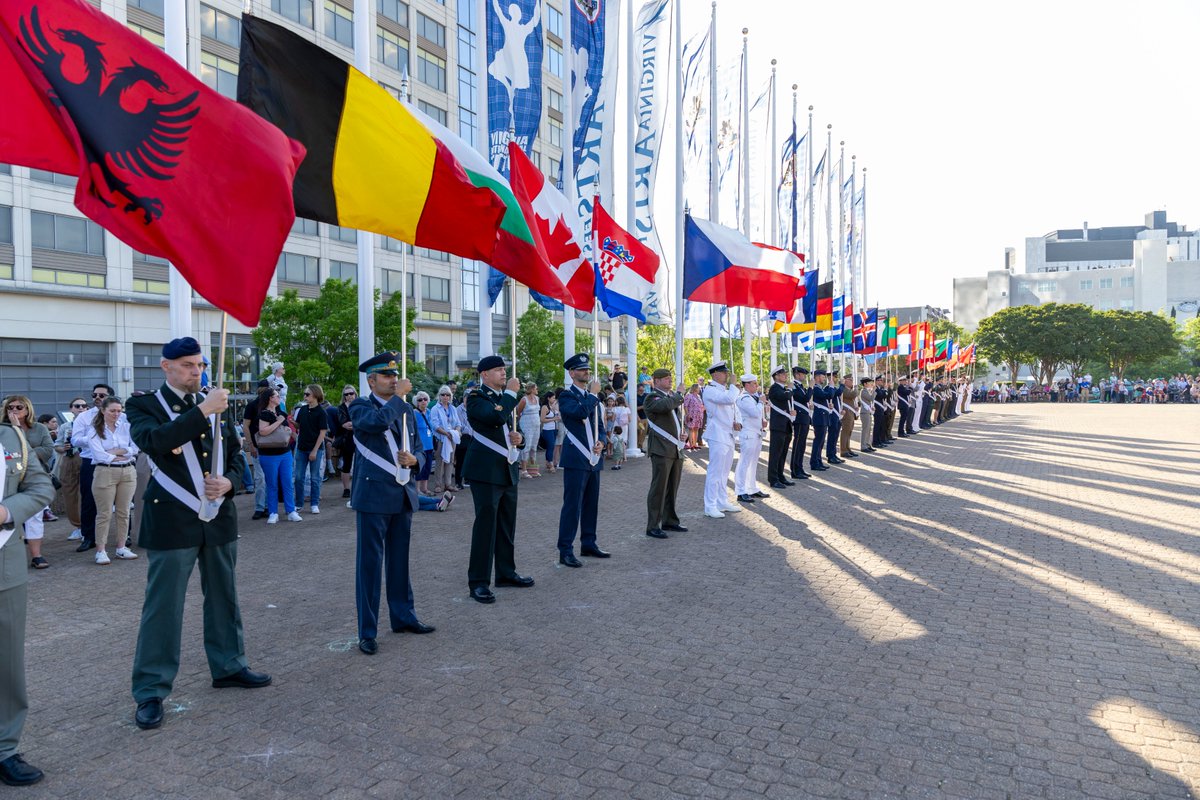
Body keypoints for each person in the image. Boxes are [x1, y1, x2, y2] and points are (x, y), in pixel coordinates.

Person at [127, 337, 269, 732]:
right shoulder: (144, 405)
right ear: (165, 367)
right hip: (173, 519)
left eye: (200, 364)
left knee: (224, 596)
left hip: (217, 516)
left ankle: (229, 664)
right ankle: (151, 690)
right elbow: (155, 442)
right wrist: (204, 410)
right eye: (188, 365)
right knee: (164, 607)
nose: (197, 371)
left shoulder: (213, 402)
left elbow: (237, 454)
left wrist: (230, 482)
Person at [348, 352, 432, 656]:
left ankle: (403, 616)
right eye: (386, 376)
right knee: (369, 566)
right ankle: (367, 631)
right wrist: (399, 399)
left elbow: (422, 449)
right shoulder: (360, 406)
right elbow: (374, 423)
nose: (394, 380)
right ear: (371, 381)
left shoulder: (406, 409)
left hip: (402, 494)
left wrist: (415, 460)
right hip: (373, 496)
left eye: (395, 376)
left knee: (400, 562)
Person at [0, 409, 56, 786]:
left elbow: (41, 488)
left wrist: (7, 510)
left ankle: (4, 748)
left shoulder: (12, 438)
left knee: (6, 665)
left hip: (4, 567)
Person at [463, 355, 533, 604]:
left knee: (506, 525)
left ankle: (505, 572)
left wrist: (520, 439)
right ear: (484, 375)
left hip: (507, 468)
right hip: (485, 471)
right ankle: (479, 582)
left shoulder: (504, 399)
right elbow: (494, 418)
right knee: (485, 527)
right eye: (498, 370)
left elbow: (510, 427)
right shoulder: (475, 397)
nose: (504, 373)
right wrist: (512, 394)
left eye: (504, 369)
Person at [556, 353, 610, 567]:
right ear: (572, 373)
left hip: (593, 458)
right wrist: (594, 395)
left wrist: (602, 442)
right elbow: (579, 413)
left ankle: (589, 542)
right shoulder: (566, 396)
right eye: (581, 370)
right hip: (576, 457)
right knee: (572, 506)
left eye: (587, 369)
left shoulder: (591, 397)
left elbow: (601, 427)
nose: (586, 372)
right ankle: (565, 550)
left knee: (591, 505)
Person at [85, 396, 140, 565]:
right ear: (103, 411)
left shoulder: (126, 427)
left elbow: (136, 448)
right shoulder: (94, 430)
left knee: (124, 512)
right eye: (112, 411)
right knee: (104, 513)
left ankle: (121, 547)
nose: (117, 414)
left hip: (128, 472)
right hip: (105, 472)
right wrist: (121, 454)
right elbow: (99, 455)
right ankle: (100, 550)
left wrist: (115, 452)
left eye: (119, 410)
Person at [2, 397, 53, 569]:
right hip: (8, 478)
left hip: (33, 477)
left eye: (19, 407)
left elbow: (47, 450)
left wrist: (24, 451)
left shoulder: (39, 428)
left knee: (34, 517)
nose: (14, 410)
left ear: (28, 409)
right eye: (10, 407)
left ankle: (36, 555)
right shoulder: (4, 430)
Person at [642, 369, 687, 540]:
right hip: (661, 449)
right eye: (666, 379)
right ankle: (653, 525)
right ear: (656, 381)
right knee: (658, 489)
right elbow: (664, 407)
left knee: (672, 487)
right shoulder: (652, 397)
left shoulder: (671, 399)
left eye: (670, 378)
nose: (670, 381)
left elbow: (676, 420)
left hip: (675, 448)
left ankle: (670, 520)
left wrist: (683, 434)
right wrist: (679, 394)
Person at [71, 383, 116, 553]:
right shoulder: (84, 417)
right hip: (91, 462)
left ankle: (123, 537)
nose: (97, 398)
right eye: (95, 395)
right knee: (89, 500)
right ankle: (88, 537)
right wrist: (94, 440)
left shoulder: (121, 416)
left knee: (121, 502)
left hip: (117, 462)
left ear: (110, 397)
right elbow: (75, 440)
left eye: (102, 395)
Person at [701, 362, 742, 518]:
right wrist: (733, 385)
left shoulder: (724, 390)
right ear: (715, 374)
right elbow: (729, 400)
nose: (727, 375)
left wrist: (738, 421)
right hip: (717, 434)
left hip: (728, 433)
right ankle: (710, 505)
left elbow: (734, 408)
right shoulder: (710, 390)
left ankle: (722, 501)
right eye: (724, 372)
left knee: (724, 471)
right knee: (715, 472)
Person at [256, 387, 301, 524]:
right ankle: (273, 512)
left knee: (287, 482)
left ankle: (291, 511)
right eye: (276, 395)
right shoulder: (264, 414)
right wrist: (279, 422)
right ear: (270, 398)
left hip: (285, 452)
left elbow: (287, 429)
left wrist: (286, 427)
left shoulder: (281, 412)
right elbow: (263, 432)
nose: (279, 397)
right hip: (269, 454)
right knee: (272, 484)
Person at [293, 384, 328, 514]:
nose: (305, 396)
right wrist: (292, 422)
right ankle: (298, 503)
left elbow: (322, 433)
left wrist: (314, 450)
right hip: (301, 448)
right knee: (298, 477)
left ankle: (314, 504)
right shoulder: (302, 410)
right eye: (305, 394)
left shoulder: (321, 412)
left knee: (315, 478)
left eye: (307, 394)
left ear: (315, 395)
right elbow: (299, 425)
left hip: (316, 449)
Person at [734, 375, 767, 503]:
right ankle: (741, 491)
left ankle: (752, 488)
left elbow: (758, 415)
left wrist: (763, 421)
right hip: (748, 434)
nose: (756, 385)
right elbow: (754, 413)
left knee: (753, 463)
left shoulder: (754, 397)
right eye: (754, 383)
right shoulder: (744, 398)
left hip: (756, 433)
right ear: (746, 385)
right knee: (744, 462)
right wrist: (761, 402)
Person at [59, 397, 88, 538]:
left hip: (86, 459)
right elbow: (56, 445)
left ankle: (87, 525)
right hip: (69, 458)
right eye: (77, 406)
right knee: (70, 493)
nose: (81, 408)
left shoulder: (92, 424)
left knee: (87, 494)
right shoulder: (65, 427)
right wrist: (62, 447)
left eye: (83, 406)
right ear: (71, 409)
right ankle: (78, 526)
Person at [241, 379, 271, 519]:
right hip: (258, 447)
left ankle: (267, 506)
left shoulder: (273, 405)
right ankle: (260, 507)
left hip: (271, 447)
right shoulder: (252, 405)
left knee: (267, 478)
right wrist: (251, 445)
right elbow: (246, 426)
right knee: (260, 478)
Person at [765, 365, 795, 489]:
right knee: (775, 453)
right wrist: (790, 389)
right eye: (783, 374)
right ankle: (773, 479)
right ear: (776, 376)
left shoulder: (783, 388)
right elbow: (785, 396)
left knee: (783, 453)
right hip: (778, 426)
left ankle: (780, 475)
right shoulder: (774, 388)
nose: (786, 375)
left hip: (786, 425)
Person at [789, 367, 812, 480]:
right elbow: (805, 398)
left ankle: (800, 467)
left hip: (804, 418)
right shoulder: (793, 386)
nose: (805, 377)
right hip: (799, 419)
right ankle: (795, 470)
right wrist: (811, 387)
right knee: (797, 445)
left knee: (802, 445)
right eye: (803, 374)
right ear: (797, 375)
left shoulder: (800, 386)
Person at [334, 385, 357, 499]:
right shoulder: (341, 408)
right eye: (346, 394)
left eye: (351, 393)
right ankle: (346, 489)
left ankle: (358, 488)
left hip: (360, 439)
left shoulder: (360, 405)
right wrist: (358, 424)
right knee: (346, 464)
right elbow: (345, 424)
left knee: (360, 464)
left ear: (355, 394)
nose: (349, 396)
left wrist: (354, 424)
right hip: (347, 439)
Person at [516, 382, 542, 478]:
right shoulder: (524, 399)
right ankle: (524, 470)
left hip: (536, 424)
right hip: (526, 424)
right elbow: (518, 411)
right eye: (536, 388)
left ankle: (533, 469)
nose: (537, 390)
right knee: (526, 446)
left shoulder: (537, 399)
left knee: (534, 446)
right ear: (531, 389)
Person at [412, 391, 435, 496]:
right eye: (420, 400)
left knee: (427, 467)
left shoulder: (429, 412)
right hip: (419, 446)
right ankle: (417, 490)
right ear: (416, 402)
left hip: (429, 444)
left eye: (425, 399)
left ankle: (424, 488)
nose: (423, 401)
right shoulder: (414, 413)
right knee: (419, 468)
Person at [823, 370, 846, 465]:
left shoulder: (833, 388)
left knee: (835, 436)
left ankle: (834, 454)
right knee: (832, 436)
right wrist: (842, 385)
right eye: (834, 377)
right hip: (832, 415)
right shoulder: (828, 388)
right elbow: (838, 393)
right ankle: (830, 455)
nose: (836, 379)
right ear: (830, 378)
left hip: (837, 415)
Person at [839, 374, 860, 458]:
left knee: (849, 431)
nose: (852, 381)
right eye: (850, 380)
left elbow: (853, 398)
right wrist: (856, 388)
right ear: (845, 381)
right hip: (846, 412)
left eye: (852, 380)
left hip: (850, 412)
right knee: (845, 431)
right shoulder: (844, 389)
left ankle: (847, 448)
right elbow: (852, 395)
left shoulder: (849, 389)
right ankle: (843, 450)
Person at [539, 392, 559, 473]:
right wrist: (553, 419)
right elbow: (542, 419)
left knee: (551, 447)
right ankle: (550, 463)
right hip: (547, 430)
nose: (554, 399)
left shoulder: (551, 407)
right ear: (548, 398)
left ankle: (548, 462)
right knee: (550, 447)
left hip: (553, 429)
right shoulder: (544, 407)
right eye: (553, 398)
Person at [857, 377, 876, 453]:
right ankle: (863, 446)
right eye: (869, 382)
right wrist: (874, 390)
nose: (871, 384)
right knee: (865, 429)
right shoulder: (863, 391)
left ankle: (867, 444)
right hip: (864, 412)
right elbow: (871, 398)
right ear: (865, 384)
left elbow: (870, 401)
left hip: (868, 412)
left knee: (868, 429)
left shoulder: (867, 391)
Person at [683, 383, 704, 450]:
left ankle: (695, 444)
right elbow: (685, 405)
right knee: (691, 429)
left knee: (696, 429)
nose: (699, 389)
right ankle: (691, 444)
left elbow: (701, 405)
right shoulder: (689, 395)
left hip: (698, 416)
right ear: (695, 388)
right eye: (698, 388)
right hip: (691, 415)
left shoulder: (698, 396)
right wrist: (687, 414)